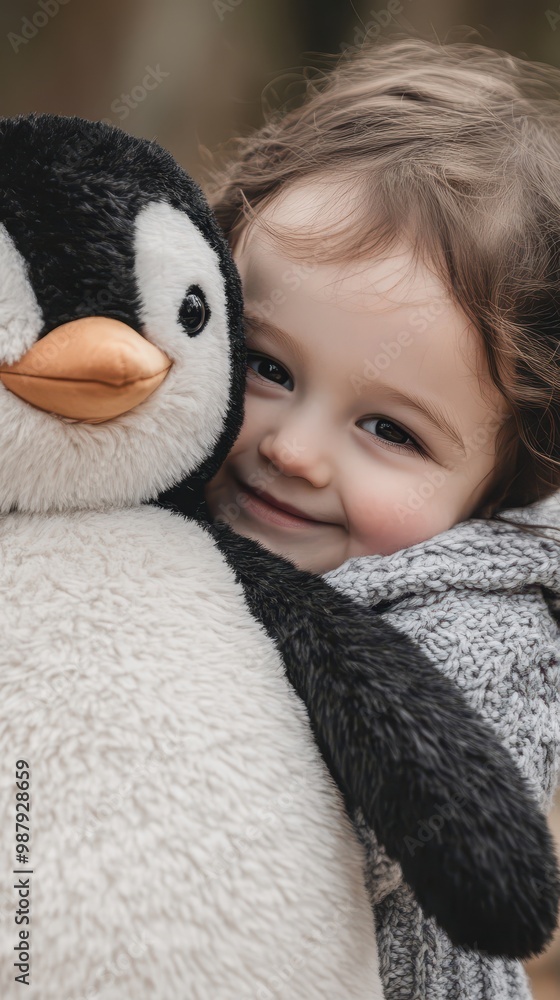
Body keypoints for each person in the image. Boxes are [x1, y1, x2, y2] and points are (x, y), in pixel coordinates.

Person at [203, 34, 560, 999]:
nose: (294, 450)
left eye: (390, 431)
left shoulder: (488, 633)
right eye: (266, 366)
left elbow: (304, 841)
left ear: (504, 488)